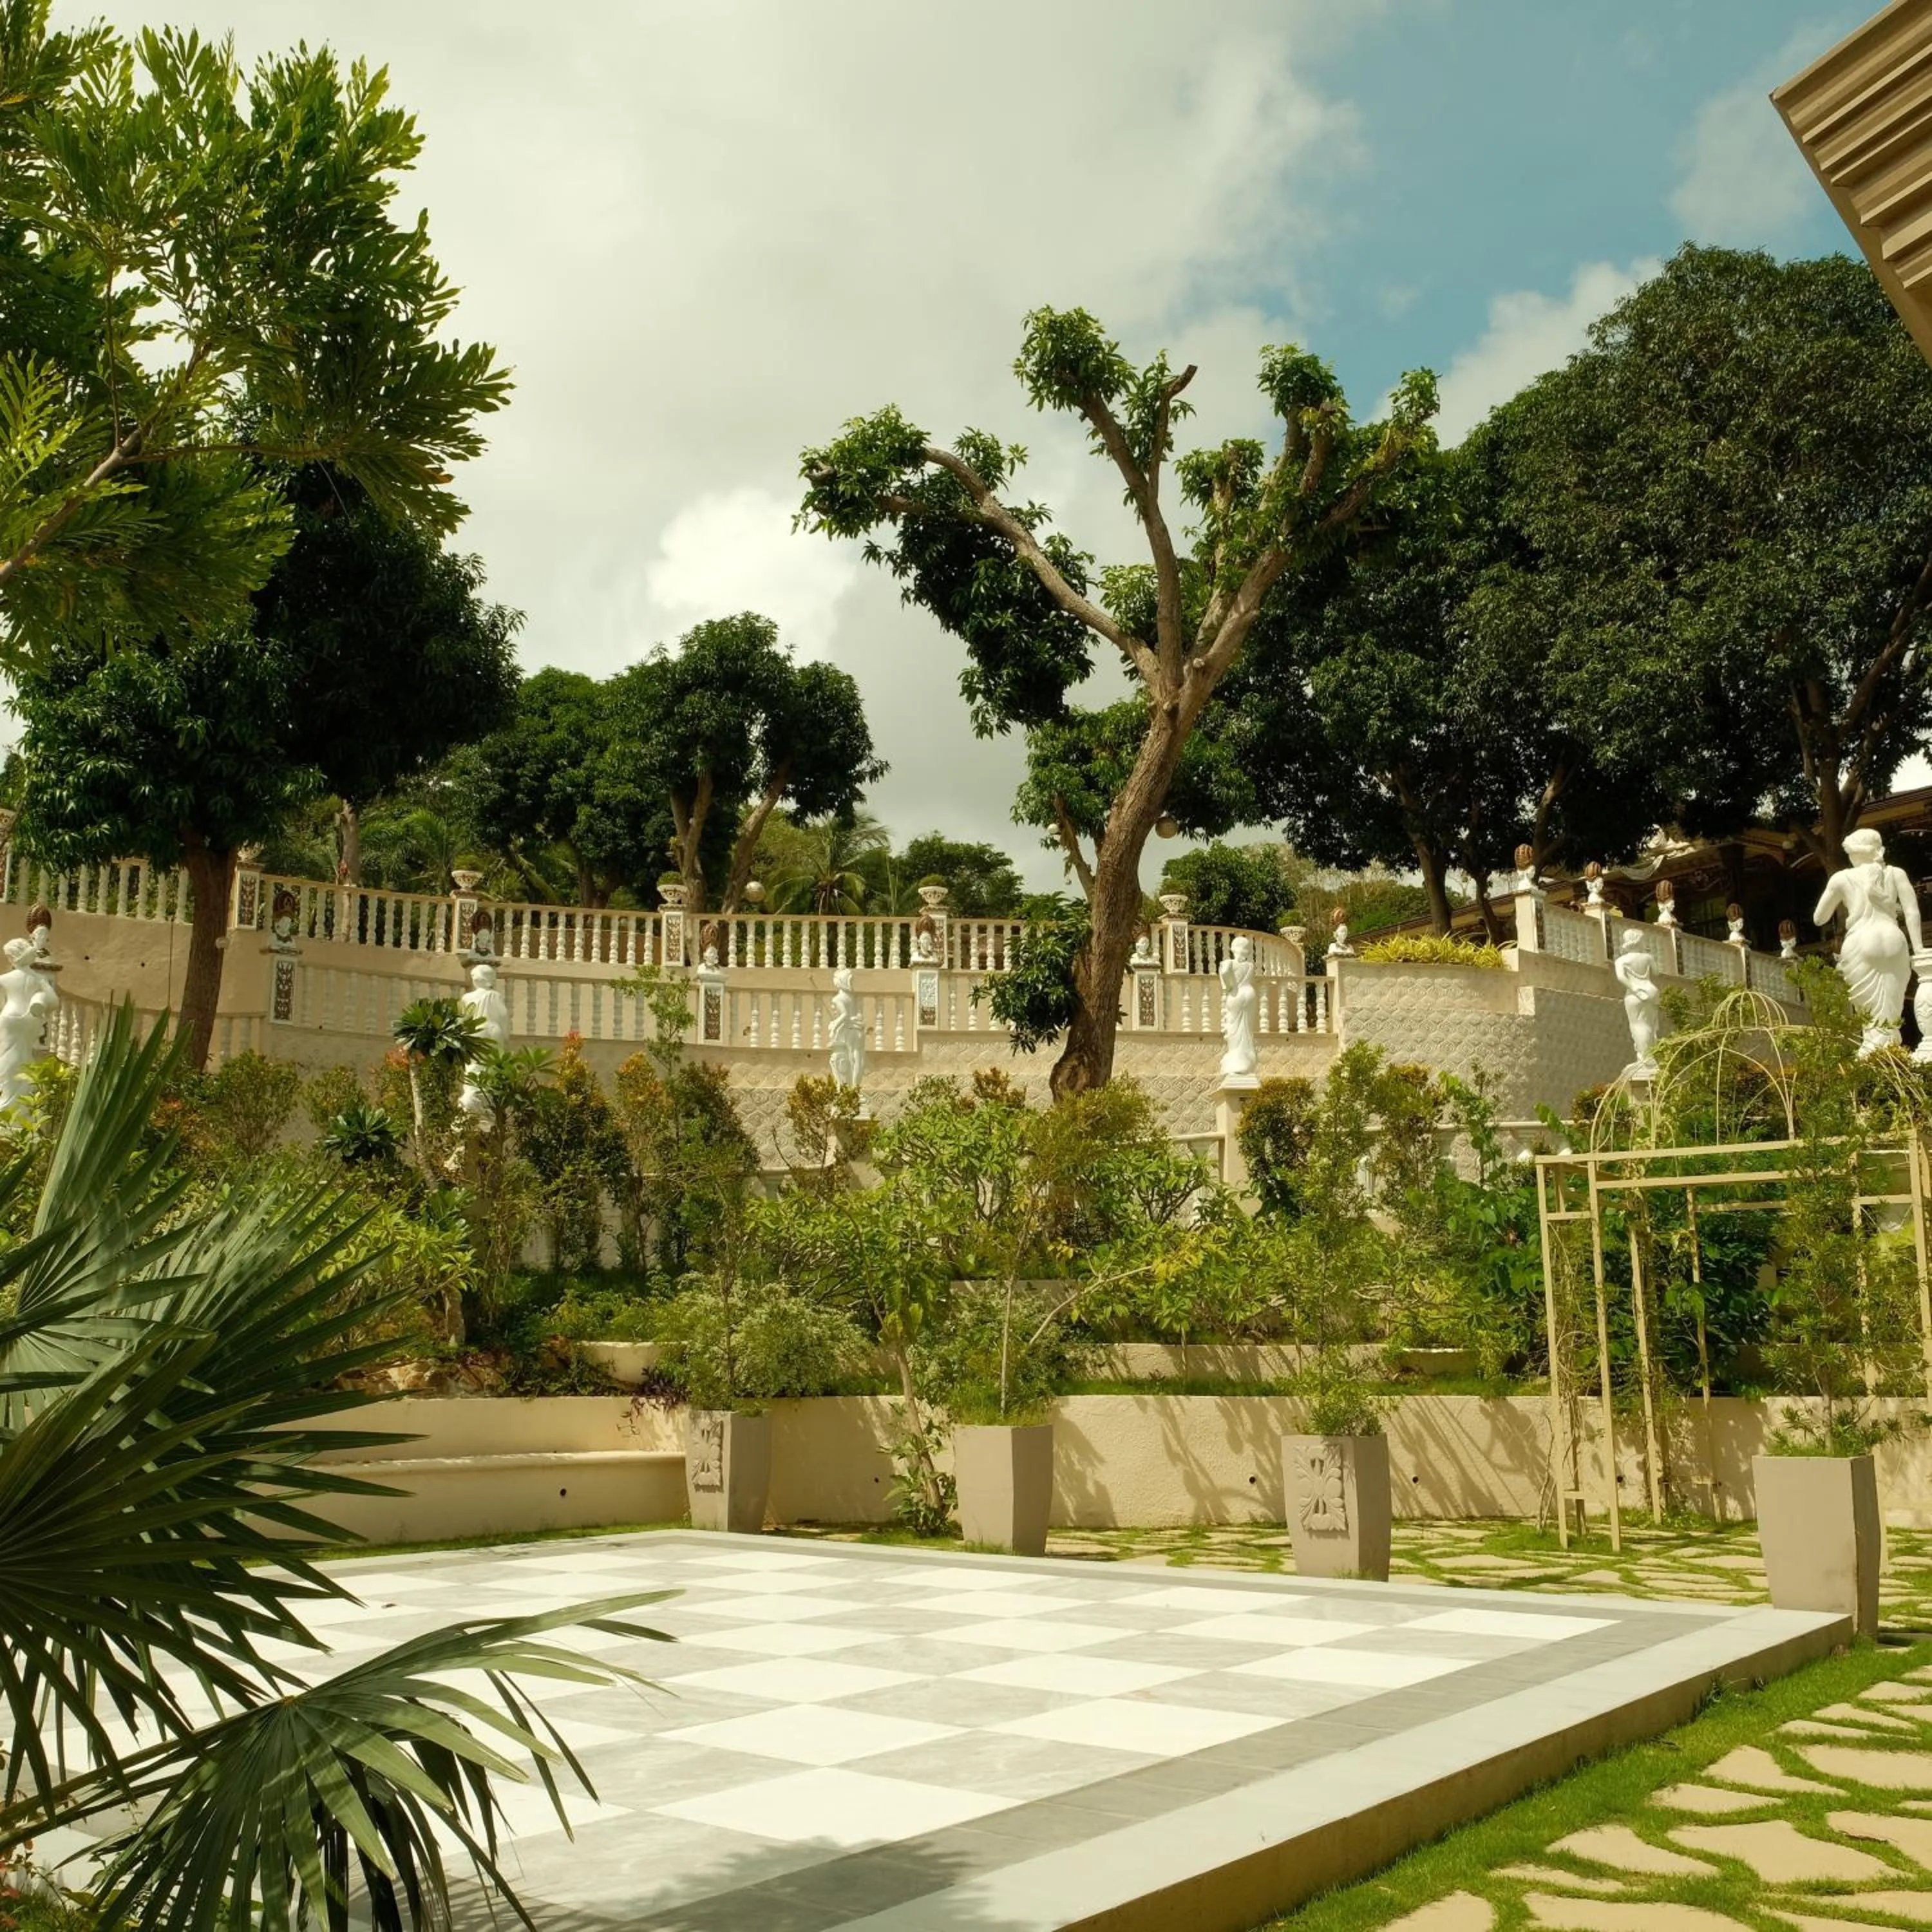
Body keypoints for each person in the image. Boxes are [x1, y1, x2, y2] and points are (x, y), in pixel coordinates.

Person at [1814, 827, 1927, 1056]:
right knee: (1892, 1010)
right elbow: (1912, 912)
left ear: (1854, 853)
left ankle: (1874, 1056)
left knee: (1869, 1015)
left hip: (1861, 941)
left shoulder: (1842, 878)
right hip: (1894, 939)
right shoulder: (1895, 873)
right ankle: (1892, 1053)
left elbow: (1819, 918)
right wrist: (1919, 948)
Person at [1613, 927, 1662, 1078]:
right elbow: (1656, 972)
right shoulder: (1648, 958)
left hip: (1634, 995)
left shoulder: (1621, 960)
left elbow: (1621, 977)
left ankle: (1647, 1059)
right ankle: (1646, 1057)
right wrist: (1647, 955)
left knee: (1638, 1025)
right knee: (1651, 1025)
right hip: (1651, 991)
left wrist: (1635, 989)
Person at [1218, 935, 1259, 1084]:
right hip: (1250, 994)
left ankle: (1237, 1062)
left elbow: (1227, 983)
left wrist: (1225, 970)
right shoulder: (1250, 966)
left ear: (1233, 949)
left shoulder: (1228, 964)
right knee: (1246, 1029)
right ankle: (1246, 1060)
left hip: (1236, 995)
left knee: (1235, 1028)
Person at [828, 966, 866, 1091]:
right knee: (857, 1058)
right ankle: (856, 1087)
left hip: (849, 1031)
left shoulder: (838, 999)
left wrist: (834, 1027)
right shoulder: (851, 998)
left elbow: (844, 1015)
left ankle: (852, 1089)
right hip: (857, 1030)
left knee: (850, 1059)